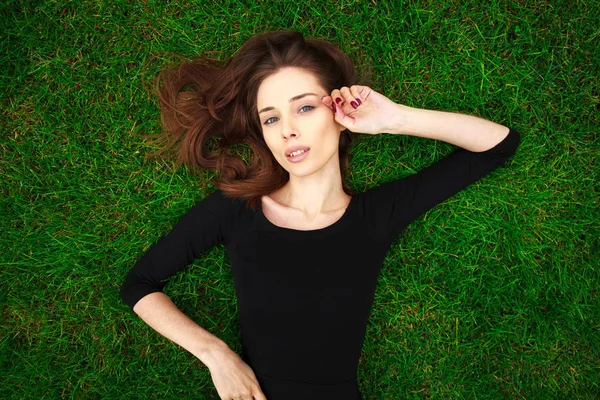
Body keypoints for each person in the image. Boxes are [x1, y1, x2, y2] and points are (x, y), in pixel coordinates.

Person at [120, 30, 521, 400]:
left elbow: (499, 145)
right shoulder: (236, 209)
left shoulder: (375, 216)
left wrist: (393, 119)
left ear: (339, 111)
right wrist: (216, 355)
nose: (288, 131)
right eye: (271, 118)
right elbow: (140, 284)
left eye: (306, 108)